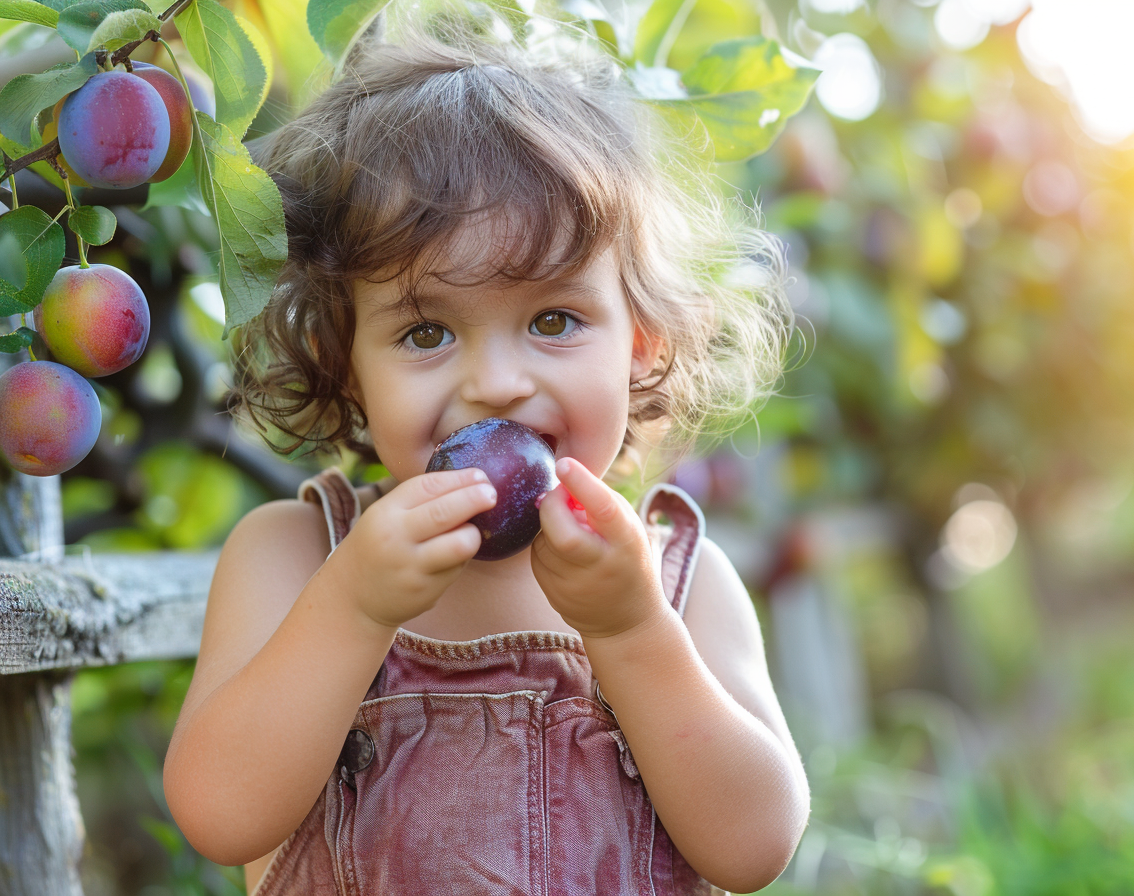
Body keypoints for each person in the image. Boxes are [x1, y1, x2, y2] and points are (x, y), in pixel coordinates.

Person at [162, 6, 809, 893]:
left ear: (640, 346)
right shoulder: (294, 559)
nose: (497, 384)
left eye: (552, 320)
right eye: (426, 333)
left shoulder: (676, 585)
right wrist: (351, 605)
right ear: (346, 366)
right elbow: (219, 813)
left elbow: (755, 846)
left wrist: (632, 631)